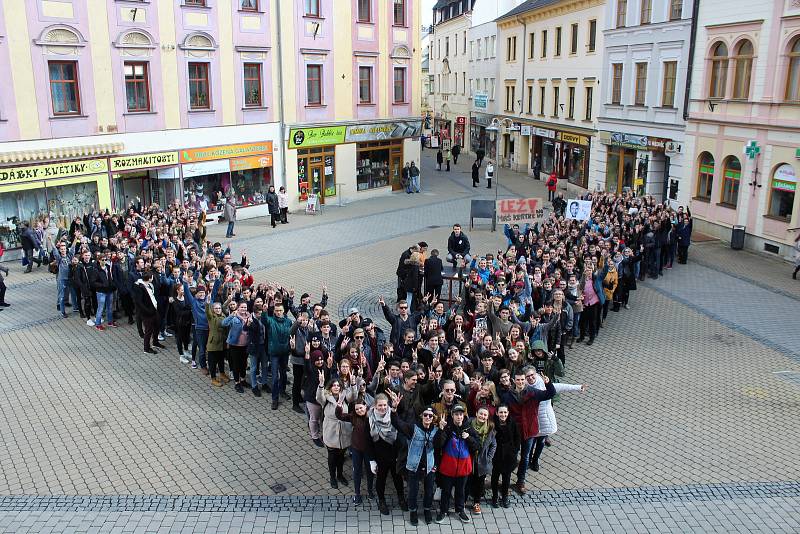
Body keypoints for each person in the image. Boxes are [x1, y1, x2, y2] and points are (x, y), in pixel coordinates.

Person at [392, 402, 439, 526]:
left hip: (429, 466)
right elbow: (398, 424)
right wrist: (394, 410)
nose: (428, 417)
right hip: (414, 466)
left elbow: (440, 449)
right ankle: (413, 511)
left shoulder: (436, 431)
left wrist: (436, 466)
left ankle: (427, 509)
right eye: (425, 415)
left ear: (433, 418)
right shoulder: (413, 428)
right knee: (413, 490)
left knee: (429, 491)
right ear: (421, 416)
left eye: (430, 415)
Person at [434, 404, 479, 524]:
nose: (459, 417)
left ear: (463, 416)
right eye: (456, 414)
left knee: (460, 491)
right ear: (452, 415)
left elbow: (477, 446)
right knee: (446, 491)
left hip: (463, 469)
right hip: (448, 468)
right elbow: (438, 445)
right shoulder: (447, 428)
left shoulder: (469, 429)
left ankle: (460, 510)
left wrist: (469, 438)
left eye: (461, 414)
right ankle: (443, 511)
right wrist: (441, 429)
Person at [317, 373, 360, 488]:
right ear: (330, 387)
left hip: (344, 431)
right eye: (334, 385)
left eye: (338, 385)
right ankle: (332, 477)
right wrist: (321, 384)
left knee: (341, 456)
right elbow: (319, 397)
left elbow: (354, 396)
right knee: (332, 456)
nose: (336, 387)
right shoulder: (325, 398)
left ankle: (340, 475)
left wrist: (353, 383)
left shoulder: (345, 397)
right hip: (331, 431)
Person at [368, 393, 407, 515]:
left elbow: (400, 428)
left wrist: (395, 407)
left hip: (394, 453)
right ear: (375, 405)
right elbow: (368, 441)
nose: (383, 408)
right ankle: (382, 500)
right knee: (381, 479)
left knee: (397, 478)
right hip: (379, 455)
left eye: (385, 405)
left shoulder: (393, 415)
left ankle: (401, 498)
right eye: (380, 405)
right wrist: (371, 460)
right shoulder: (369, 418)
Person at [335, 396, 375, 504]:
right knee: (356, 471)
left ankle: (370, 491)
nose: (359, 410)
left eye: (361, 408)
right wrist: (339, 407)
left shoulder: (371, 416)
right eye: (357, 409)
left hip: (369, 450)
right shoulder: (353, 416)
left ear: (365, 407)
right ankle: (357, 493)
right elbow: (340, 416)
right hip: (356, 449)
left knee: (370, 471)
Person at [262, 301, 293, 410]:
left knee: (283, 374)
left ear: (284, 311)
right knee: (275, 376)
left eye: (280, 310)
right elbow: (264, 320)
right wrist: (264, 312)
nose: (278, 312)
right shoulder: (270, 320)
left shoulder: (288, 322)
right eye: (276, 310)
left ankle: (283, 391)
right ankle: (275, 399)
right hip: (274, 353)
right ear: (274, 311)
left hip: (284, 352)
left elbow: (291, 335)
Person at [468, 406, 496, 515]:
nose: (482, 416)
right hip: (469, 458)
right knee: (468, 480)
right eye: (481, 414)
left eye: (485, 415)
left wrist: (488, 458)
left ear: (487, 417)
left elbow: (493, 445)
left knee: (480, 482)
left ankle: (476, 502)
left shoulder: (490, 428)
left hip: (482, 461)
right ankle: (465, 499)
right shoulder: (469, 424)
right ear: (476, 413)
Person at [490, 405, 520, 508]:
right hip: (497, 454)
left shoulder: (513, 423)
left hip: (508, 455)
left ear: (508, 413)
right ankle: (494, 496)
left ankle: (505, 496)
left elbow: (517, 437)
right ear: (497, 413)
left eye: (505, 412)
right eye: (501, 412)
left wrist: (515, 450)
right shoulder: (493, 424)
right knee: (495, 477)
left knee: (506, 477)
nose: (503, 415)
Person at [134, 272, 164, 354]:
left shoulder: (150, 285)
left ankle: (155, 342)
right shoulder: (139, 287)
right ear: (150, 278)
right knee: (148, 330)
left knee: (157, 325)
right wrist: (147, 311)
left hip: (154, 309)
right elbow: (139, 302)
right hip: (146, 312)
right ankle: (146, 348)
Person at [90, 254, 117, 331]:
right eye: (102, 260)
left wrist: (112, 285)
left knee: (110, 307)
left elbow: (110, 277)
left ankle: (110, 321)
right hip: (101, 291)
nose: (104, 261)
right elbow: (93, 282)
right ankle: (98, 324)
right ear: (99, 260)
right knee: (101, 308)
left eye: (105, 260)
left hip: (109, 290)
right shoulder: (96, 269)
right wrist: (102, 285)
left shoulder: (108, 267)